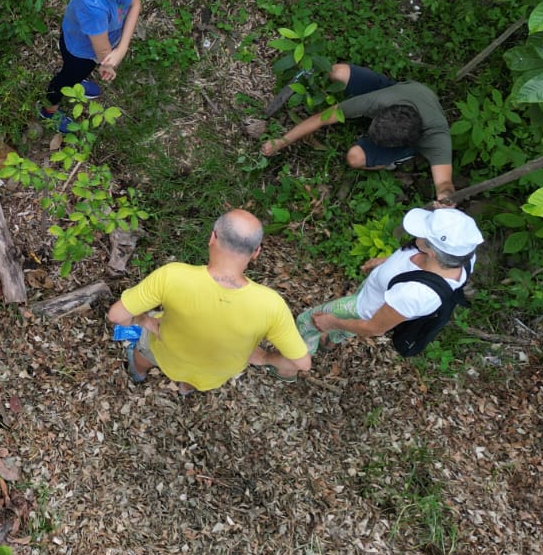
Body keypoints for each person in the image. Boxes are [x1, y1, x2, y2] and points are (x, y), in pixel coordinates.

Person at [106, 209, 311, 390]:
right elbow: (301, 364)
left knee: (144, 354)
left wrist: (146, 322)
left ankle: (138, 373)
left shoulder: (172, 276)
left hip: (167, 353)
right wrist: (265, 358)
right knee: (196, 382)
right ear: (256, 252)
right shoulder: (271, 305)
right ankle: (186, 389)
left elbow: (116, 315)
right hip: (214, 373)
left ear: (212, 237)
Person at [261, 62, 456, 204]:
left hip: (414, 126)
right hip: (396, 91)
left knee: (355, 158)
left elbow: (444, 182)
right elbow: (322, 118)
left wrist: (445, 198)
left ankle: (392, 161)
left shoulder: (437, 138)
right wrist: (282, 141)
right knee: (337, 72)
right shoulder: (378, 101)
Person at [296, 206, 483, 352]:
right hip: (374, 294)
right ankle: (330, 341)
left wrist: (331, 322)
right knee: (343, 328)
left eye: (422, 233)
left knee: (307, 321)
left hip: (362, 309)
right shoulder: (463, 256)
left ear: (432, 252)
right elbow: (411, 264)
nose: (416, 234)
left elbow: (374, 327)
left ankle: (292, 362)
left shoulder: (415, 294)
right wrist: (386, 263)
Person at [40, 0, 159, 132]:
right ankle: (49, 110)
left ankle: (77, 82)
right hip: (81, 51)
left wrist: (120, 50)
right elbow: (103, 53)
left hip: (92, 46)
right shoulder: (94, 7)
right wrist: (108, 63)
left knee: (77, 74)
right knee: (67, 78)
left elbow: (136, 5)